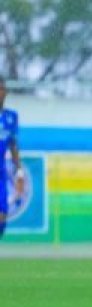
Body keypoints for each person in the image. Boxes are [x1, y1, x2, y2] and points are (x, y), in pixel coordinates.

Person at [0, 76, 25, 238]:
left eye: (1, 89)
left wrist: (19, 170)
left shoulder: (11, 117)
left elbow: (13, 145)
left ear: (6, 92)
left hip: (1, 174)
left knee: (2, 217)